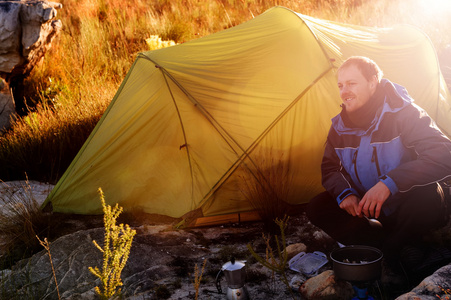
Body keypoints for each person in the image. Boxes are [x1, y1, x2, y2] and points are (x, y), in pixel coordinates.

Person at [306, 56, 451, 279]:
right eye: (340, 85)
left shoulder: (404, 114)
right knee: (318, 206)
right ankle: (397, 247)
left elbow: (444, 152)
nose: (344, 91)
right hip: (370, 209)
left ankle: (393, 249)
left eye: (352, 83)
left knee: (428, 194)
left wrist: (389, 183)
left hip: (408, 204)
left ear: (373, 82)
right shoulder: (339, 127)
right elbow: (330, 168)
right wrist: (346, 194)